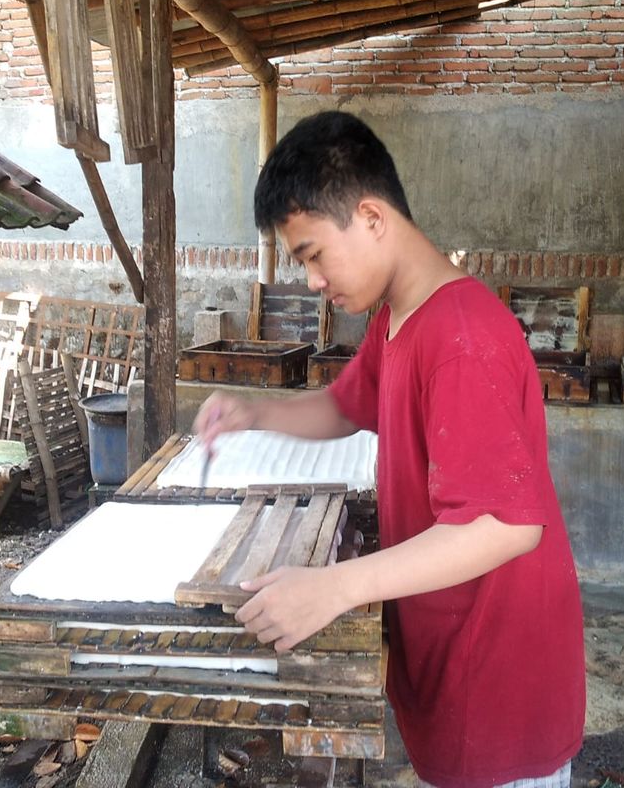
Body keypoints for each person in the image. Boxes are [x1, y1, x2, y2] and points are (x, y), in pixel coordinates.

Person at [194, 111, 585, 788]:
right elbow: (345, 406)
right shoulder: (399, 318)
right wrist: (253, 411)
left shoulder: (460, 337)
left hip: (496, 684)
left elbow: (507, 523)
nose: (313, 280)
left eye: (313, 254)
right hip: (451, 652)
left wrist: (335, 588)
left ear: (372, 218)